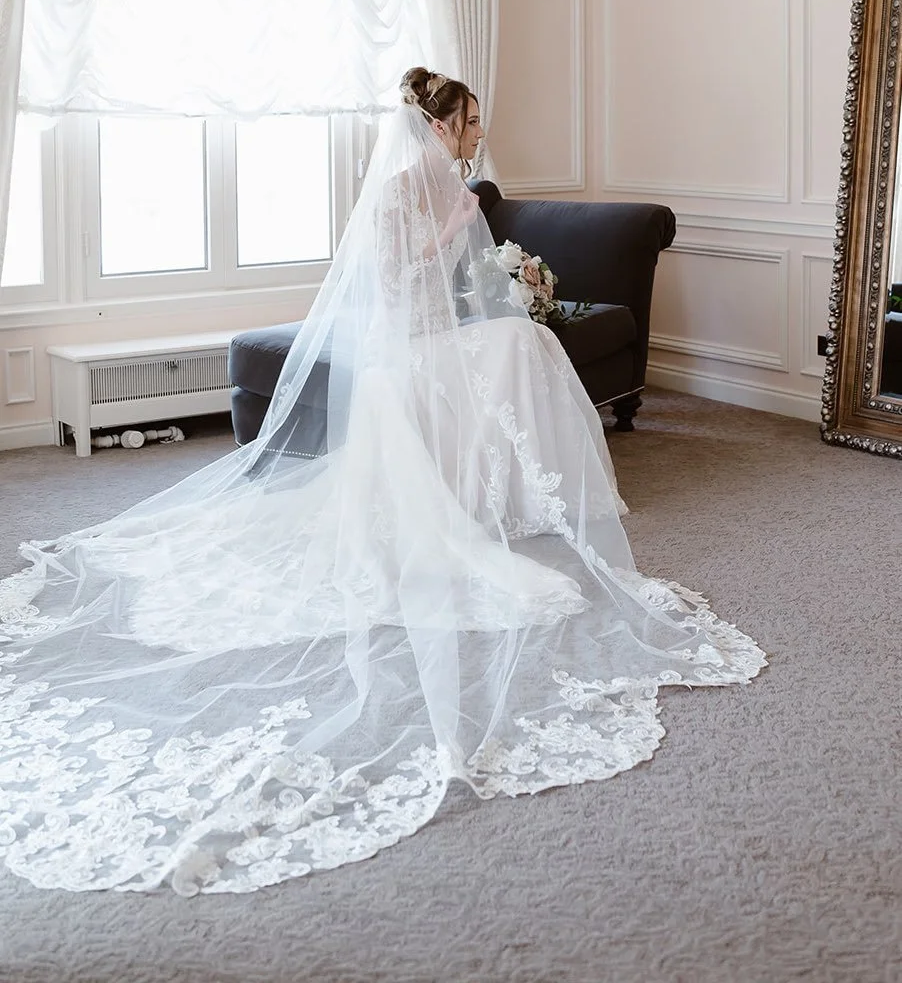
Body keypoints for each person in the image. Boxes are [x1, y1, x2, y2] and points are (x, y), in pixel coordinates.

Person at [0, 68, 764, 897]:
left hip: (443, 336)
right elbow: (395, 283)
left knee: (527, 343)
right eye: (471, 120)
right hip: (405, 349)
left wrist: (507, 283)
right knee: (517, 351)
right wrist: (455, 232)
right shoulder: (404, 190)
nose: (479, 132)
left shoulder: (456, 185)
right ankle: (506, 490)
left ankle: (523, 489)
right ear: (440, 126)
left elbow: (463, 286)